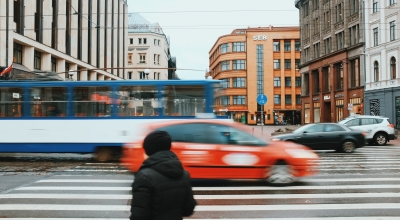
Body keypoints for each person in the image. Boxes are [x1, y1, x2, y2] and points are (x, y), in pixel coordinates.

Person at [130, 130, 197, 220]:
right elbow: (188, 209)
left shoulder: (144, 177)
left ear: (149, 150)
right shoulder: (184, 174)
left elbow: (139, 215)